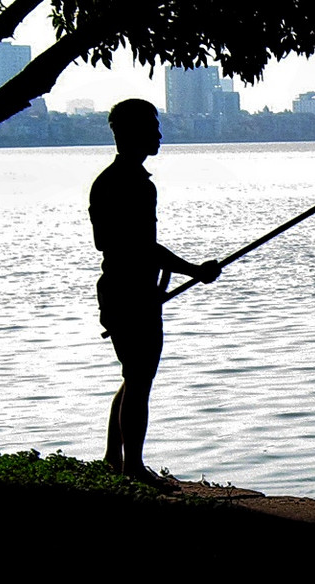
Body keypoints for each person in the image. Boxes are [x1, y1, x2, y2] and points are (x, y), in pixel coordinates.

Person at [92, 98, 220, 484]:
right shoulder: (131, 184)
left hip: (125, 291)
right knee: (140, 379)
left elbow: (114, 244)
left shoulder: (112, 181)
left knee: (134, 377)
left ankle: (114, 458)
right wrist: (195, 270)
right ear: (131, 133)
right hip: (132, 295)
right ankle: (132, 467)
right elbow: (140, 246)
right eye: (153, 127)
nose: (160, 135)